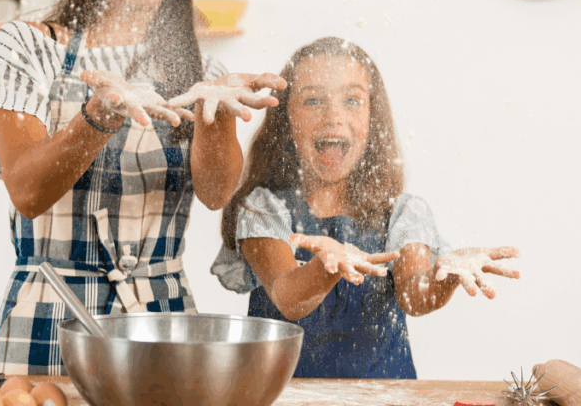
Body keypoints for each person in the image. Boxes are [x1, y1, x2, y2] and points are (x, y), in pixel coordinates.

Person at [0, 0, 284, 375]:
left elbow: (216, 192)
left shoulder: (201, 72)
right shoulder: (26, 46)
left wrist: (217, 117)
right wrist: (99, 116)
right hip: (50, 321)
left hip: (162, 325)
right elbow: (26, 189)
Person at [211, 37, 520, 379]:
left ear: (373, 119)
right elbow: (289, 298)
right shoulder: (264, 208)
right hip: (282, 395)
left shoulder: (404, 213)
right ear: (286, 118)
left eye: (352, 100)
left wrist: (443, 276)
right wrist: (327, 266)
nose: (333, 117)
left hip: (385, 396)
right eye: (312, 100)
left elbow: (414, 297)